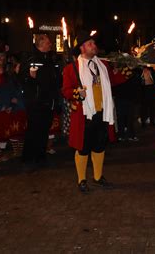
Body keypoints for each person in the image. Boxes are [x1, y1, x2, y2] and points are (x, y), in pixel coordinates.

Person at [61, 30, 115, 193]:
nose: (94, 46)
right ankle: (81, 179)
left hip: (102, 112)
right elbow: (65, 90)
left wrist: (126, 73)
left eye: (94, 43)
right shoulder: (72, 68)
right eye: (90, 44)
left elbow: (113, 80)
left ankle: (98, 177)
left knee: (99, 146)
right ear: (82, 48)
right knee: (83, 147)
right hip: (85, 113)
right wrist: (76, 93)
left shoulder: (103, 65)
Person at [21, 34, 60, 171]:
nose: (50, 44)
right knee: (34, 131)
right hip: (36, 102)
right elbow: (23, 79)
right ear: (40, 44)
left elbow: (54, 80)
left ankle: (40, 157)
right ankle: (28, 159)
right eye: (48, 42)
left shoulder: (49, 59)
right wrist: (30, 77)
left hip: (48, 101)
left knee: (44, 131)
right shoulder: (32, 59)